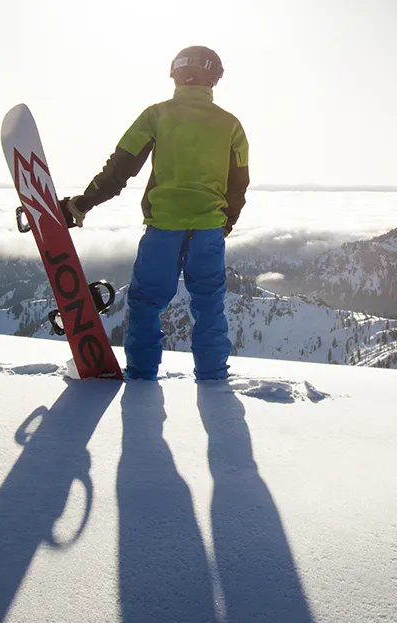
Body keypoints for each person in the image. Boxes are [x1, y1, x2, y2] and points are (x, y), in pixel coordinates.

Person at [58, 46, 249, 381]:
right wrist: (226, 223)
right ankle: (213, 377)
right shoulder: (230, 125)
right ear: (215, 77)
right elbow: (239, 184)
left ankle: (142, 374)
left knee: (147, 302)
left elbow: (119, 168)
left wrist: (82, 204)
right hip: (209, 230)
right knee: (209, 305)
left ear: (175, 73)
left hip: (164, 226)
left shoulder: (157, 115)